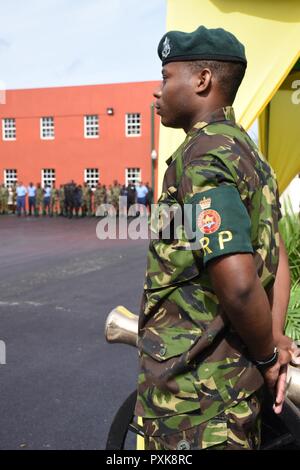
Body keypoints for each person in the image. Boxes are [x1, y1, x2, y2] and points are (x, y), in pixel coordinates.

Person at [134, 26, 293, 450]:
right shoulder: (250, 155)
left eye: (167, 77)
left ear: (202, 80)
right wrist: (273, 344)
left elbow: (239, 284)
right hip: (232, 397)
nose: (157, 91)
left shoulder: (203, 155)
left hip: (195, 407)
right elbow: (278, 260)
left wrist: (266, 357)